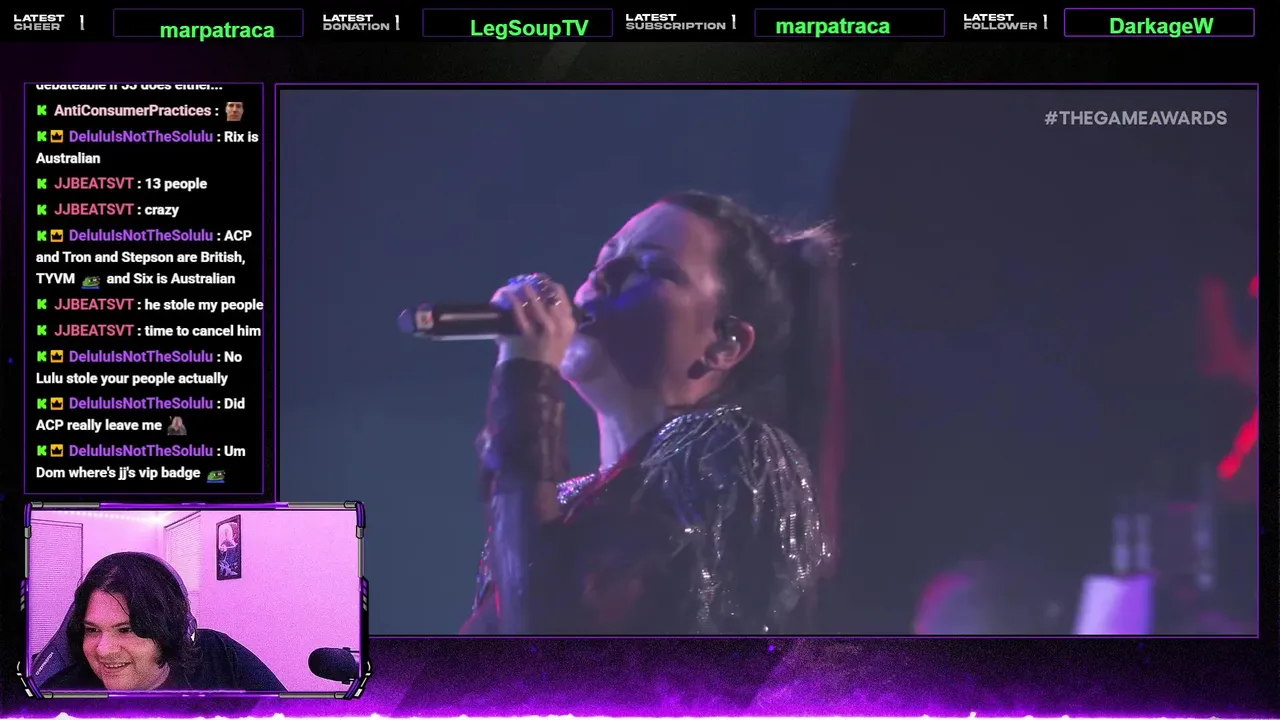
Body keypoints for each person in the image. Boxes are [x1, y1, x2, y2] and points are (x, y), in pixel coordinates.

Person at [460, 191, 845, 635]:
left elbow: (550, 637)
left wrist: (527, 379)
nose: (603, 275)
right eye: (605, 258)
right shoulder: (561, 501)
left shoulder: (739, 452)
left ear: (726, 344)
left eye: (651, 267)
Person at [39, 552, 284, 692]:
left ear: (168, 630)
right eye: (92, 630)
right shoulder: (61, 696)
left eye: (126, 629)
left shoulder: (218, 654)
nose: (103, 649)